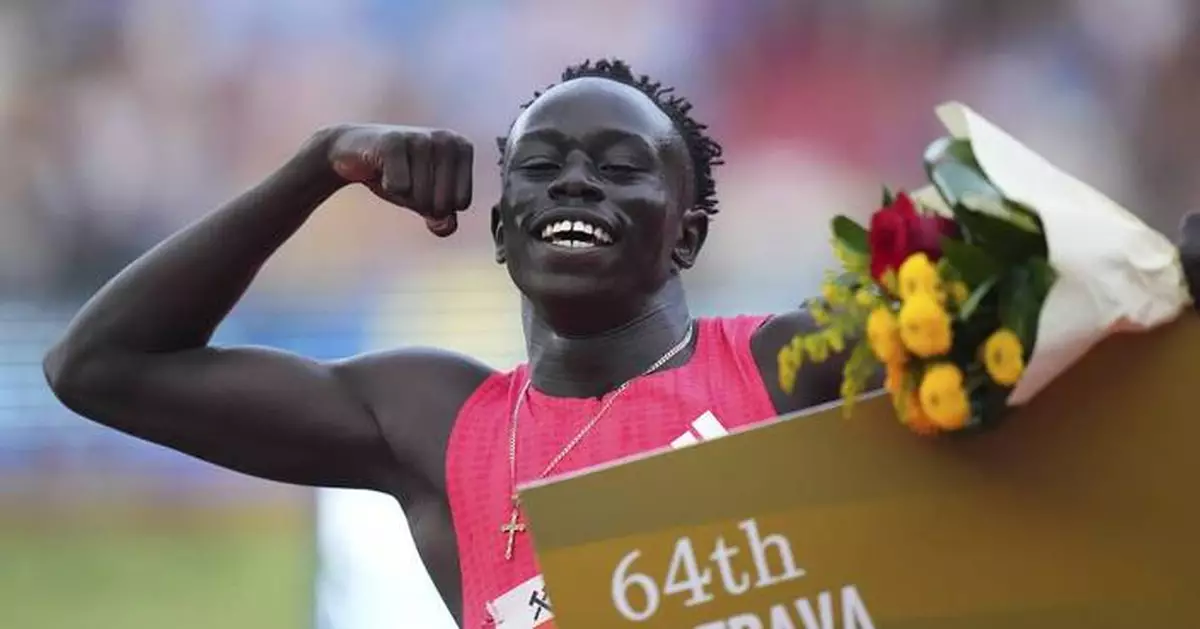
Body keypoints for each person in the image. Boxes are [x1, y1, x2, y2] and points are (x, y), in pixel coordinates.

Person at [40, 58, 1200, 628]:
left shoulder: (802, 362)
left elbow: (1069, 370)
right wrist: (318, 166)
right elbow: (101, 368)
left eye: (617, 165)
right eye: (538, 169)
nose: (573, 184)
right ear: (498, 226)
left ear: (688, 224)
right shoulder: (435, 422)